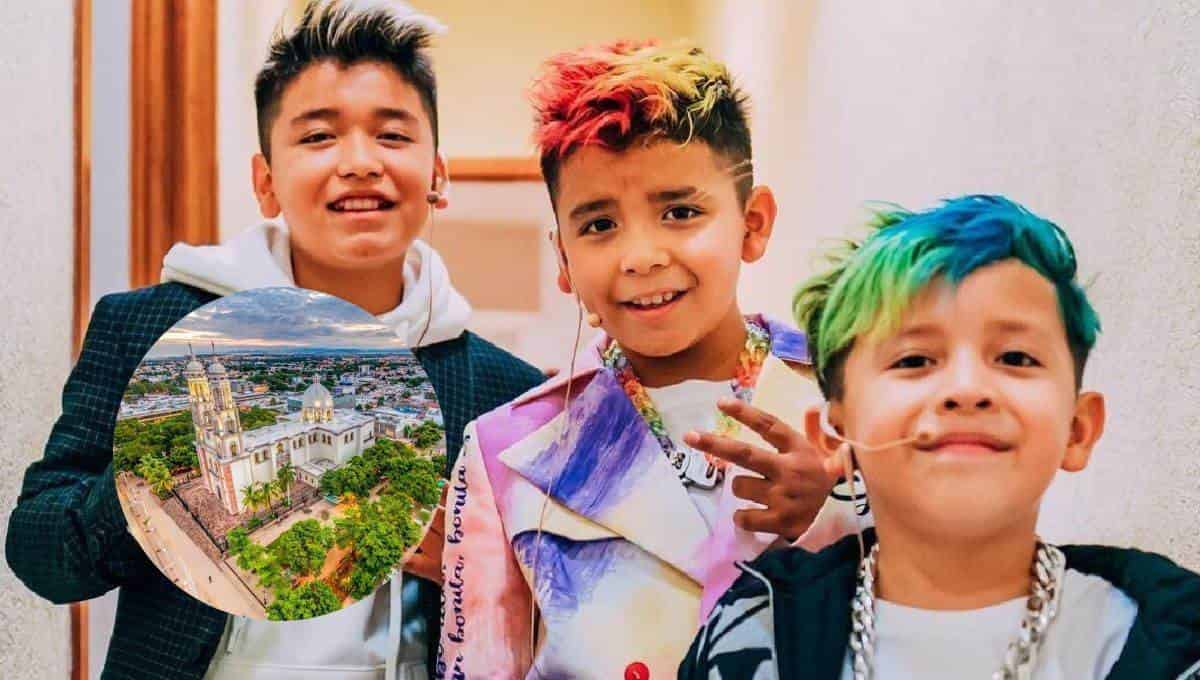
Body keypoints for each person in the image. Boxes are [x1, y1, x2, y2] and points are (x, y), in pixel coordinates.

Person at [5, 2, 544, 678]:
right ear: (266, 182)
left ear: (437, 175)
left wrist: (472, 567)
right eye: (318, 136)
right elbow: (41, 555)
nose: (359, 162)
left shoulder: (508, 392)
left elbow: (555, 618)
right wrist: (162, 476)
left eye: (392, 135)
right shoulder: (152, 329)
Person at [436, 40, 857, 679]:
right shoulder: (506, 451)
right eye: (599, 225)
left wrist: (835, 509)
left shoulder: (852, 395)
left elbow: (956, 597)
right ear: (563, 259)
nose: (641, 257)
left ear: (752, 224)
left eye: (680, 212)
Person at [679, 195, 1200, 679]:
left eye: (1015, 357)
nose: (966, 389)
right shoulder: (750, 637)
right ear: (836, 435)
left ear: (1078, 429)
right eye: (914, 360)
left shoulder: (1170, 641)